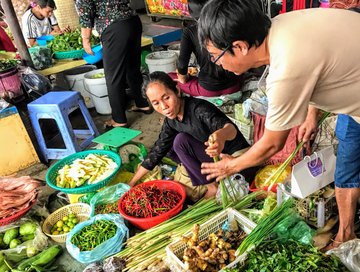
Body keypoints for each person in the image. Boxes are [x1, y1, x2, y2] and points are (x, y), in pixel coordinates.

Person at [198, 1, 360, 249]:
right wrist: (311, 112)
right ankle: (345, 234)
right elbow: (323, 63)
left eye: (214, 55)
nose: (215, 63)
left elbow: (272, 143)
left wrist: (232, 165)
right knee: (346, 167)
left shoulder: (286, 67)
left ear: (239, 47)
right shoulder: (282, 25)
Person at [127, 72, 255, 200]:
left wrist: (221, 136)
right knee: (168, 147)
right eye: (156, 103)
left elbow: (230, 128)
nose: (164, 107)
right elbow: (157, 151)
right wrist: (132, 182)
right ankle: (199, 176)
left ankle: (212, 187)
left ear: (177, 90)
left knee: (181, 141)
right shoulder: (171, 121)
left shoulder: (198, 109)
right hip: (214, 163)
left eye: (166, 98)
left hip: (236, 164)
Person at [76, 0, 150, 130]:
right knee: (132, 69)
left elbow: (86, 12)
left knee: (113, 76)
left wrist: (85, 39)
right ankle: (143, 103)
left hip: (113, 27)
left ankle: (119, 119)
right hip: (132, 21)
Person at [168, 0, 241, 98]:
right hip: (234, 86)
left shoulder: (190, 33)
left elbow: (182, 65)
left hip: (208, 90)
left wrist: (183, 78)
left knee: (169, 76)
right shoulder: (227, 25)